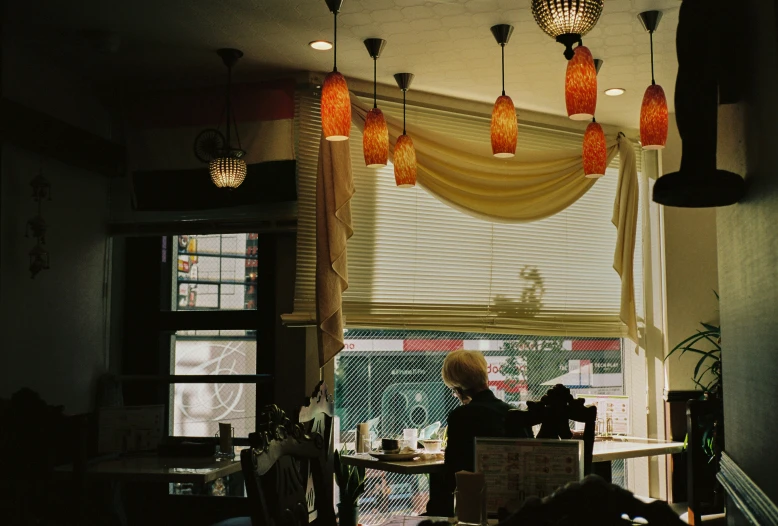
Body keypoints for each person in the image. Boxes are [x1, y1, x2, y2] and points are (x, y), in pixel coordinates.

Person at [425, 350, 532, 517]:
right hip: (515, 506)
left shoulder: (460, 416)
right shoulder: (515, 413)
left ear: (458, 387)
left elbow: (454, 469)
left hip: (473, 505)